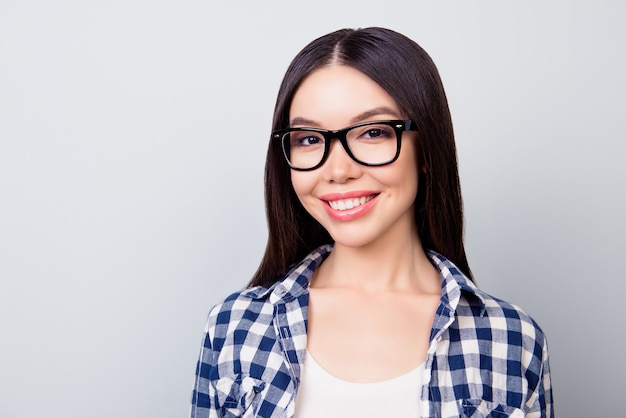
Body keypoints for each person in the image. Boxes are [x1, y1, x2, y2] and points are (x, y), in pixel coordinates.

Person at [190, 27, 553, 418]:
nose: (338, 170)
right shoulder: (234, 327)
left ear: (427, 149)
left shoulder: (511, 340)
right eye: (309, 139)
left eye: (374, 132)